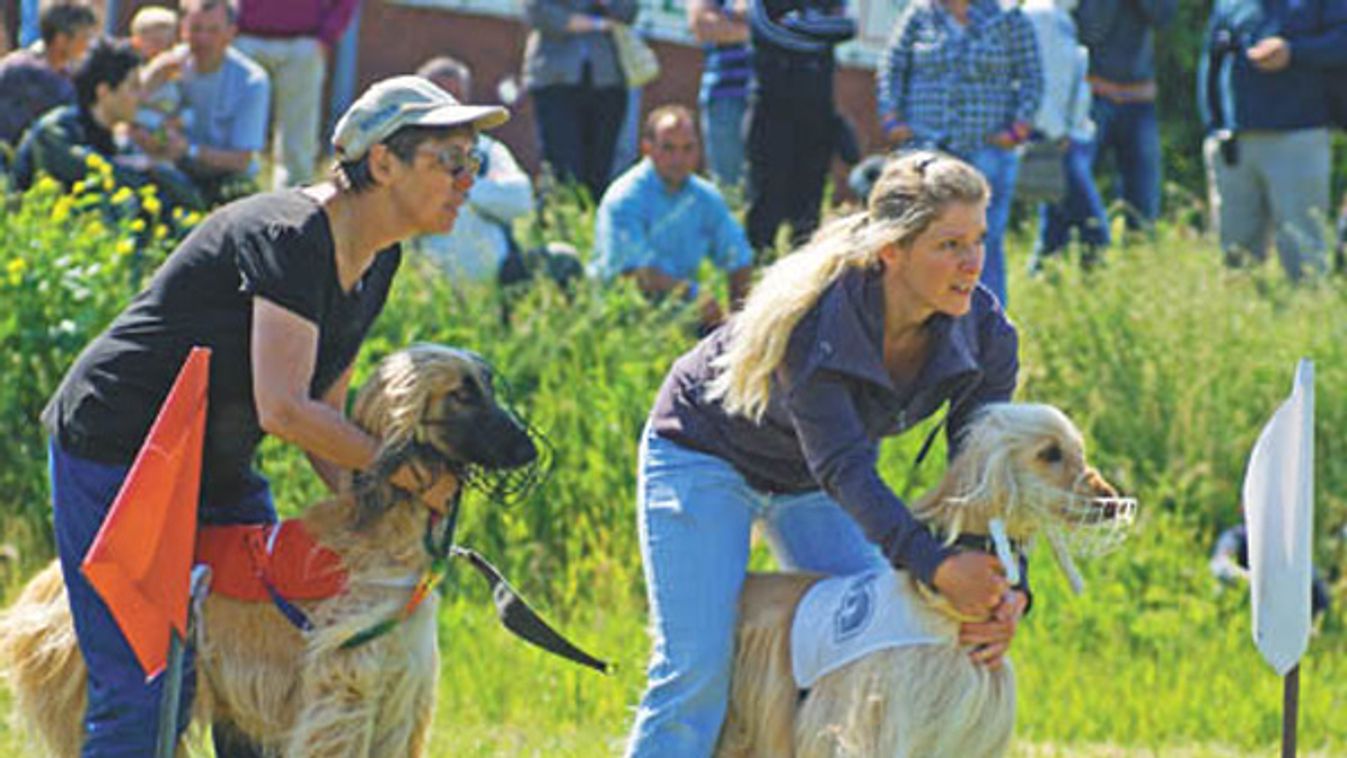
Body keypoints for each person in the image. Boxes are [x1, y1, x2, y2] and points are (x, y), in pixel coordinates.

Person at [40, 74, 507, 756]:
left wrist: (385, 509)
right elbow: (284, 408)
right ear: (382, 163)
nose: (469, 179)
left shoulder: (377, 259)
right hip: (121, 453)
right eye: (452, 161)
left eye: (475, 162)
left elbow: (326, 411)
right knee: (145, 688)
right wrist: (404, 470)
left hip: (214, 464)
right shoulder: (289, 235)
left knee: (266, 662)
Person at [624, 151, 1026, 756]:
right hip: (706, 456)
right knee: (696, 671)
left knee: (876, 642)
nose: (973, 264)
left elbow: (985, 482)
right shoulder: (817, 321)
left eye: (978, 240)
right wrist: (936, 568)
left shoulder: (988, 336)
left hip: (810, 481)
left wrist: (1009, 589)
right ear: (892, 250)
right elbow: (845, 467)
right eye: (949, 245)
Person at [877, 0, 1043, 306]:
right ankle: (920, 326)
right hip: (926, 151)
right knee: (917, 242)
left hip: (987, 151)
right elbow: (893, 66)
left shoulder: (1008, 17)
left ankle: (986, 335)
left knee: (983, 246)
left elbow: (1032, 78)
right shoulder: (920, 14)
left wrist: (1017, 131)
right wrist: (891, 119)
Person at [1197, 0, 1347, 282]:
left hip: (1298, 136)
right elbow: (1210, 60)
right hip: (1235, 141)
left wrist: (1294, 52)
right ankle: (1241, 321)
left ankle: (1307, 321)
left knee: (1303, 254)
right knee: (1235, 258)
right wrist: (1213, 127)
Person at [593, 104, 753, 333]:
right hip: (625, 310)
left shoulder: (704, 196)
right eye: (668, 148)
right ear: (647, 149)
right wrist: (695, 295)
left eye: (688, 148)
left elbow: (738, 257)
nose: (679, 158)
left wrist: (739, 323)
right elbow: (634, 275)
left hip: (682, 304)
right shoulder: (625, 198)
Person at [11, 36, 201, 210]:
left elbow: (184, 194)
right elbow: (93, 169)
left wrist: (155, 166)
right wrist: (143, 167)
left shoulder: (118, 143)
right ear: (104, 91)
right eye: (133, 87)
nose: (142, 97)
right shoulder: (55, 131)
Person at [407, 55, 536, 286]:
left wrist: (464, 187)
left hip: (497, 281)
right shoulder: (400, 154)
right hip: (430, 284)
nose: (446, 104)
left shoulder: (487, 151)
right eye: (437, 95)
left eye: (455, 96)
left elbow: (521, 199)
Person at [744, 0, 855, 258]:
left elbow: (847, 28)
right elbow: (766, 28)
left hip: (817, 117)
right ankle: (755, 282)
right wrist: (816, 29)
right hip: (769, 116)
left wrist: (795, 23)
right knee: (764, 208)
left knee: (807, 216)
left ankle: (802, 289)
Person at [140, 0, 269, 205]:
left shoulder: (251, 81)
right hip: (172, 169)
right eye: (196, 29)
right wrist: (148, 80)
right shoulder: (166, 66)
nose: (203, 39)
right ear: (183, 30)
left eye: (213, 31)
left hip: (225, 178)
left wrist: (188, 150)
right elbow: (128, 116)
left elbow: (241, 160)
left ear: (231, 33)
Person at [233, 0, 361, 189]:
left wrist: (327, 36)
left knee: (298, 144)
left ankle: (291, 205)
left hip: (302, 44)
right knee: (230, 127)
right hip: (243, 39)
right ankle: (228, 189)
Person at [1022, 0, 1109, 271]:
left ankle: (1045, 286)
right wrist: (1056, 133)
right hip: (1054, 139)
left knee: (1055, 231)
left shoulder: (1062, 15)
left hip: (1072, 137)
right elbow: (1035, 82)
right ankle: (1094, 294)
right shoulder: (1040, 15)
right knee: (1094, 229)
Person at [1074, 0, 1176, 230]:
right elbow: (1090, 30)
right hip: (1092, 97)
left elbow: (1164, 16)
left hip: (1139, 99)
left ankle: (1139, 257)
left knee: (1143, 200)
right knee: (1075, 189)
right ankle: (1084, 252)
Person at [522, 0, 638, 201]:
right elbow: (537, 12)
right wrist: (596, 24)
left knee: (600, 170)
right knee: (562, 168)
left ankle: (592, 226)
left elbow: (629, 11)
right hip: (556, 79)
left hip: (608, 80)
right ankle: (558, 226)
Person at [0, 1, 97, 149]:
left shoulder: (70, 75)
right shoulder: (22, 72)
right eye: (84, 37)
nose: (88, 45)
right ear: (61, 40)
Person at [687, 0, 751, 189]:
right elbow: (703, 27)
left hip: (782, 97)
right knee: (729, 188)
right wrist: (766, 30)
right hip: (727, 96)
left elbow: (811, 27)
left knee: (778, 191)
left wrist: (734, 22)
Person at [1211, 524, 1331, 621]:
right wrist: (1251, 580)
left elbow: (1320, 596)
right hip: (1245, 597)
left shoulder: (1290, 549)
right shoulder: (1240, 535)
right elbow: (1220, 562)